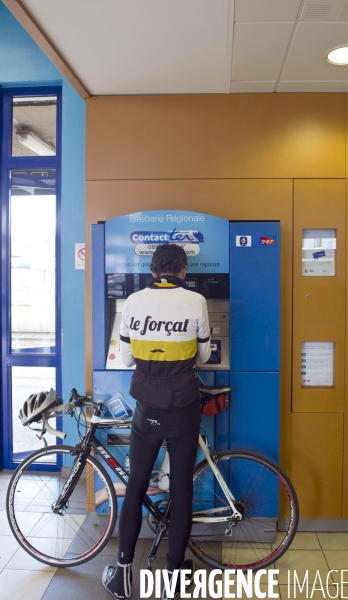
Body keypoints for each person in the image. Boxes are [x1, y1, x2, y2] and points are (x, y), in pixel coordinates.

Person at [103, 243, 211, 600]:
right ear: (183, 271)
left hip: (146, 408)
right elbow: (204, 353)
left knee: (135, 486)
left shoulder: (133, 301)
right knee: (181, 489)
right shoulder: (195, 301)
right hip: (183, 407)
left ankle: (122, 576)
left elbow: (125, 358)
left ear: (153, 271)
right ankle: (175, 577)